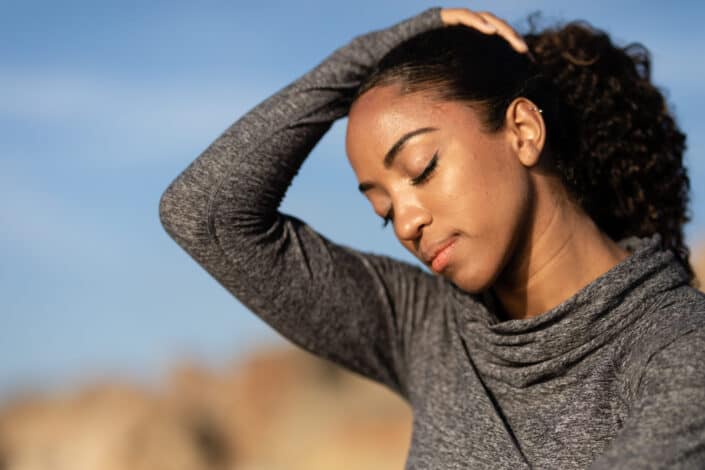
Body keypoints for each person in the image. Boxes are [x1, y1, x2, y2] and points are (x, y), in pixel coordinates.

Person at [158, 6, 705, 469]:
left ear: (523, 131)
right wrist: (371, 57)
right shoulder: (426, 328)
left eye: (421, 169)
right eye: (381, 208)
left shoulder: (681, 348)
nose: (405, 223)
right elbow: (205, 214)